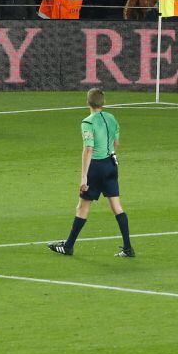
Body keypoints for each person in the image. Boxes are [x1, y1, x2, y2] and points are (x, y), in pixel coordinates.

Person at [48, 88, 134, 257]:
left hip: (96, 167)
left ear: (87, 102)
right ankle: (128, 248)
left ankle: (68, 246)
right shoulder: (111, 118)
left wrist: (84, 177)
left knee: (82, 206)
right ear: (104, 102)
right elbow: (116, 143)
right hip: (111, 164)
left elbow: (88, 149)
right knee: (117, 206)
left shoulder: (87, 122)